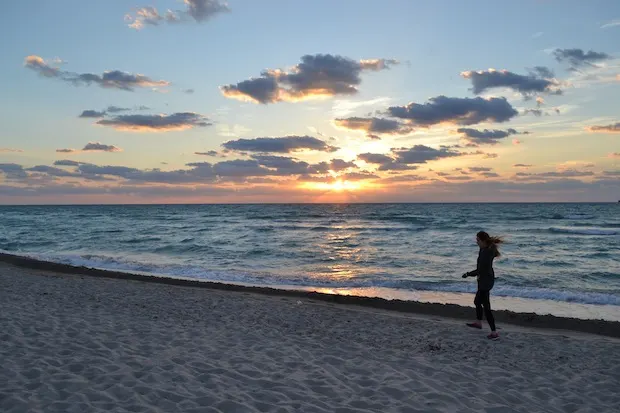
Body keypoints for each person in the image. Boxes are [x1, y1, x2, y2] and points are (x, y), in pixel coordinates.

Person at [462, 231, 503, 340]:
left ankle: (494, 333)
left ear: (484, 240)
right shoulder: (485, 249)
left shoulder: (486, 252)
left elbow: (480, 270)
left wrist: (467, 274)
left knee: (486, 308)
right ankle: (479, 323)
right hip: (485, 280)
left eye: (478, 240)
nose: (477, 242)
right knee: (478, 302)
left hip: (486, 282)